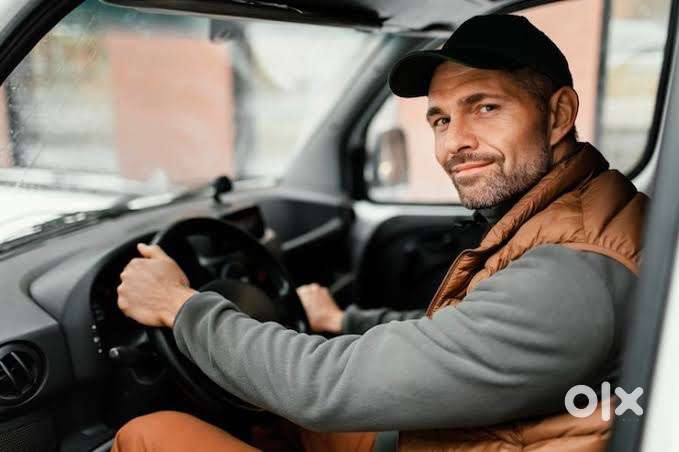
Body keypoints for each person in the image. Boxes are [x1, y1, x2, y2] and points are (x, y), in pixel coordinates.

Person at [112, 14, 646, 452]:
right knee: (275, 421)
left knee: (148, 434)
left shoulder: (570, 273)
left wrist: (178, 305)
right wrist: (343, 321)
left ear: (558, 114)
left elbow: (324, 387)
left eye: (485, 107)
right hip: (478, 435)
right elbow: (467, 334)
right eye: (440, 120)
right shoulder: (581, 214)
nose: (454, 143)